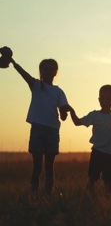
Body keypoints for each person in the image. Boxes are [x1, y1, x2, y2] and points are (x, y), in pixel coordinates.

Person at [66, 80, 111, 198]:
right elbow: (77, 122)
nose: (105, 101)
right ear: (99, 99)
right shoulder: (95, 115)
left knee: (108, 181)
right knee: (92, 179)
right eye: (102, 98)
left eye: (108, 99)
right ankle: (88, 198)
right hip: (97, 152)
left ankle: (107, 200)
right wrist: (71, 110)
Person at [10, 56, 69, 194]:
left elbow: (63, 114)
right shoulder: (36, 85)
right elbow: (23, 74)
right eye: (45, 69)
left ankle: (48, 195)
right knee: (37, 165)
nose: (48, 72)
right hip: (38, 129)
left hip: (53, 130)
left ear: (55, 72)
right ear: (40, 72)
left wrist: (66, 112)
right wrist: (13, 62)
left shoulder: (59, 92)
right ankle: (33, 194)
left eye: (51, 69)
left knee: (49, 166)